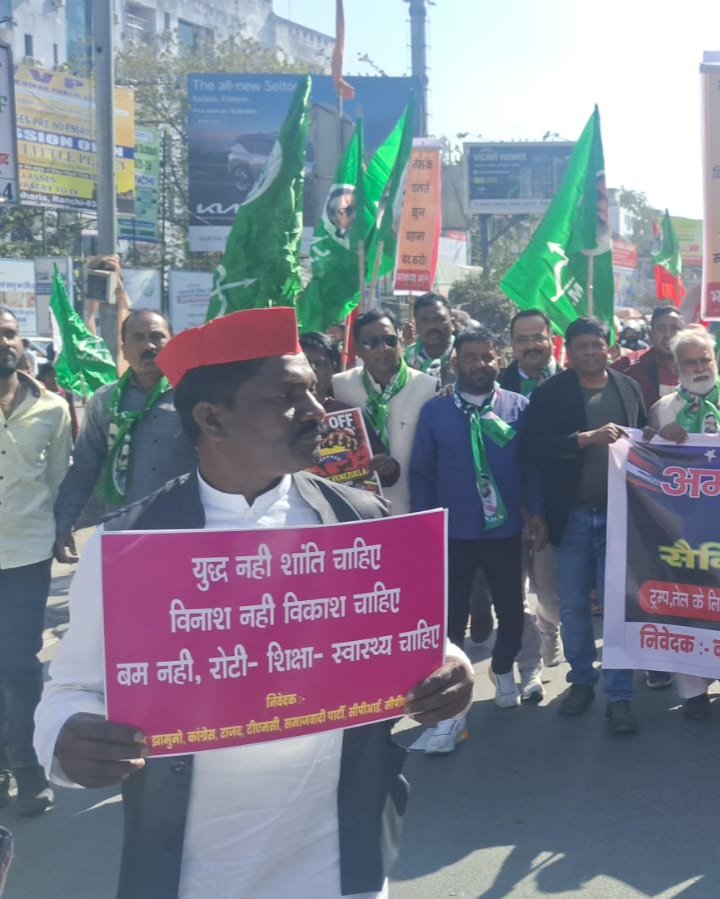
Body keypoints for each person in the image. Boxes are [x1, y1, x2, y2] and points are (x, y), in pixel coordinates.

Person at [33, 306, 473, 898]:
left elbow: (411, 641)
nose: (317, 411)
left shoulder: (361, 520)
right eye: (288, 396)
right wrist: (66, 738)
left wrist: (451, 670)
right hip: (196, 866)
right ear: (212, 418)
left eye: (312, 390)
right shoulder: (129, 547)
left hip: (338, 852)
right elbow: (71, 689)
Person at [410, 328, 536, 754]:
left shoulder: (518, 407)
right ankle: (451, 712)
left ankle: (501, 668)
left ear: (498, 360)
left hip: (505, 531)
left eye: (487, 357)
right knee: (451, 622)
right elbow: (422, 471)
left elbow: (531, 467)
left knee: (512, 612)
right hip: (454, 532)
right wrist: (425, 526)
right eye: (470, 357)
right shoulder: (436, 411)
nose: (480, 365)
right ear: (455, 363)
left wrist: (535, 512)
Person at [522, 316, 650, 734]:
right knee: (574, 606)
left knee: (617, 608)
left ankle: (620, 695)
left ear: (609, 348)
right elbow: (533, 449)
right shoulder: (550, 393)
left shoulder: (628, 387)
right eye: (583, 346)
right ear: (570, 351)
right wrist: (583, 439)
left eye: (598, 345)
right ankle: (580, 681)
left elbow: (643, 439)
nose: (592, 352)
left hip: (619, 515)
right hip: (571, 515)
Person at [645, 326, 720, 720]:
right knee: (688, 604)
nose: (699, 367)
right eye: (689, 362)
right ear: (676, 368)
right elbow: (646, 459)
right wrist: (659, 437)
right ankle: (693, 691)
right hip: (683, 528)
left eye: (705, 359)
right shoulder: (663, 408)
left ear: (715, 359)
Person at [0, 308, 70, 817]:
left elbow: (58, 477)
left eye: (8, 332)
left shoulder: (53, 408)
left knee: (18, 663)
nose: (3, 341)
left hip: (27, 553)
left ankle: (28, 764)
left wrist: (60, 532)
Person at [53, 310, 192, 565]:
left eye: (157, 337)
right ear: (124, 350)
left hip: (186, 529)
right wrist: (64, 523)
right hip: (122, 533)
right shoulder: (105, 401)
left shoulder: (195, 397)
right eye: (138, 338)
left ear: (172, 343)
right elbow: (84, 468)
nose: (148, 346)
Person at [497, 308, 563, 681]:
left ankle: (547, 622)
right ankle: (529, 662)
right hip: (505, 504)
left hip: (554, 503)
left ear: (551, 339)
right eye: (522, 339)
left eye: (538, 337)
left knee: (551, 594)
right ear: (512, 345)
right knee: (512, 593)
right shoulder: (495, 384)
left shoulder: (572, 381)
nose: (531, 345)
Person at [332, 311, 437, 515]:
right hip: (357, 513)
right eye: (370, 342)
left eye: (389, 340)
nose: (382, 348)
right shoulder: (339, 386)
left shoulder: (429, 388)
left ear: (400, 341)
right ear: (357, 348)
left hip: (414, 510)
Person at [615, 306, 684, 409]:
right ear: (650, 334)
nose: (668, 335)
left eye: (674, 329)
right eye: (661, 329)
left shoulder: (697, 366)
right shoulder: (627, 365)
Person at [404, 293, 456, 391]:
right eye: (425, 320)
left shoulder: (465, 356)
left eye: (439, 319)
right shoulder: (406, 362)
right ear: (416, 325)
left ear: (452, 323)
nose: (432, 326)